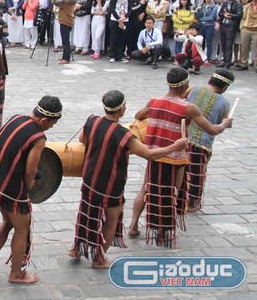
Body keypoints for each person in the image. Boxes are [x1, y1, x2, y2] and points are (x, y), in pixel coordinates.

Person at [68, 90, 188, 268]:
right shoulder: (123, 135)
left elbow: (82, 139)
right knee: (111, 219)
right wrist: (175, 146)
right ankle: (98, 259)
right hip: (110, 184)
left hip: (89, 179)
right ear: (121, 109)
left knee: (86, 214)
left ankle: (76, 248)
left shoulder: (92, 121)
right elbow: (148, 153)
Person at [128, 67, 232, 247]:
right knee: (171, 194)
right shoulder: (188, 108)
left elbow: (138, 116)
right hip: (175, 156)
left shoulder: (154, 101)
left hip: (153, 153)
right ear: (184, 84)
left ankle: (133, 225)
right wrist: (224, 123)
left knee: (145, 188)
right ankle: (162, 233)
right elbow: (212, 129)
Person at [0, 96, 63, 284]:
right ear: (44, 120)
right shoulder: (38, 137)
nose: (51, 127)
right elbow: (30, 170)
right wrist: (29, 186)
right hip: (11, 189)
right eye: (52, 124)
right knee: (22, 228)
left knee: (9, 223)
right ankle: (16, 274)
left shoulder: (16, 118)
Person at [184, 69, 234, 212]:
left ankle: (180, 197)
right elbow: (218, 125)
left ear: (210, 80)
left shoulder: (194, 88)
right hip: (203, 144)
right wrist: (225, 123)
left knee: (182, 169)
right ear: (225, 88)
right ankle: (193, 202)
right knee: (196, 173)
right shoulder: (225, 103)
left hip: (183, 136)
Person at [217, 0, 242, 68]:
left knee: (229, 44)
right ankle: (224, 60)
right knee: (223, 44)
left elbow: (239, 15)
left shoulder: (238, 4)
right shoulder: (225, 3)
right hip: (224, 24)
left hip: (231, 26)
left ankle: (228, 62)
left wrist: (230, 15)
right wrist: (224, 15)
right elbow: (220, 13)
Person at [53, 0, 76, 64]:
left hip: (66, 21)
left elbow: (56, 2)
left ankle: (66, 58)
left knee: (65, 41)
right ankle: (64, 57)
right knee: (65, 40)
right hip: (66, 21)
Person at [236, 0, 257, 71]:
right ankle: (244, 63)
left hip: (256, 30)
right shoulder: (248, 6)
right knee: (244, 47)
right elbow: (243, 17)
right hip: (246, 28)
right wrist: (242, 27)